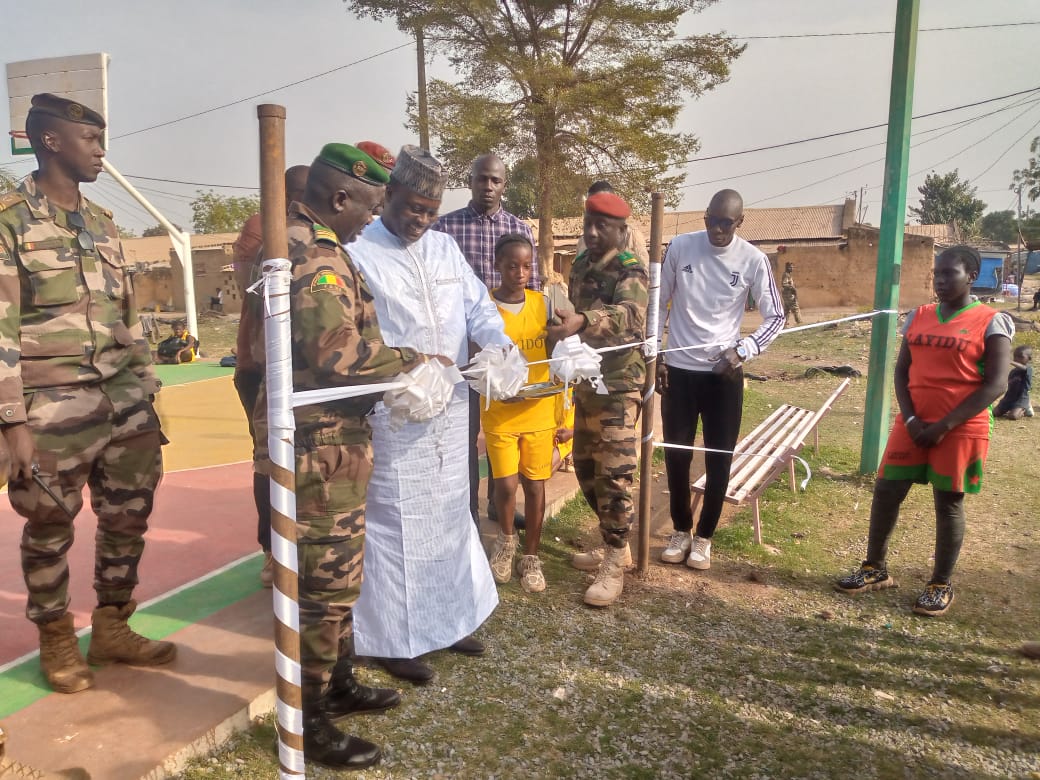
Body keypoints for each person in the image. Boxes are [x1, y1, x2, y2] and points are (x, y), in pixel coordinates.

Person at [257, 144, 443, 769]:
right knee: (322, 587)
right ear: (340, 199)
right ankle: (307, 718)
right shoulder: (315, 257)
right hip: (316, 447)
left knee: (341, 580)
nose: (372, 216)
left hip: (336, 444)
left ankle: (334, 682)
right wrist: (419, 362)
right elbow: (339, 356)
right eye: (367, 204)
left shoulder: (326, 248)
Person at [0, 93, 174, 694]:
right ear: (51, 141)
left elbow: (125, 316)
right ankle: (55, 638)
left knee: (130, 514)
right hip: (52, 406)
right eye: (90, 140)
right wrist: (12, 423)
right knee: (49, 523)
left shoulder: (102, 223)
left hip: (124, 400)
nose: (101, 151)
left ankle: (112, 625)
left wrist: (147, 388)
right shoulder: (9, 219)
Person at [350, 145, 511, 683]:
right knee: (396, 523)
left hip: (452, 408)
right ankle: (392, 639)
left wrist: (494, 345)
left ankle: (451, 620)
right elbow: (362, 335)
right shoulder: (359, 252)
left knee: (449, 514)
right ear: (388, 195)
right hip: (397, 413)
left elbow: (479, 308)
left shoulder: (444, 249)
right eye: (412, 207)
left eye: (430, 211)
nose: (420, 220)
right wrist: (403, 370)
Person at [835, 245, 1012, 617]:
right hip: (914, 422)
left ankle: (940, 583)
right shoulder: (919, 316)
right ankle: (875, 568)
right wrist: (913, 420)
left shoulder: (991, 321)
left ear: (973, 276)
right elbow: (902, 372)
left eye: (950, 274)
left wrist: (944, 425)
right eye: (937, 274)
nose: (941, 281)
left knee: (948, 501)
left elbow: (995, 385)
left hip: (961, 427)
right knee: (885, 489)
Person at [657, 189, 784, 571]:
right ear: (706, 218)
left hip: (722, 377)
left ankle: (705, 538)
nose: (717, 229)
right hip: (679, 371)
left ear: (739, 222)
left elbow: (776, 317)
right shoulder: (680, 247)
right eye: (711, 220)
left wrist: (742, 351)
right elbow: (658, 301)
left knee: (718, 458)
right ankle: (681, 530)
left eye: (725, 223)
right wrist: (657, 354)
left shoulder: (753, 260)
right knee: (676, 455)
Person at [545, 191, 648, 607]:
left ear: (620, 230)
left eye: (600, 226)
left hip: (620, 384)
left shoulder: (631, 270)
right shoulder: (582, 263)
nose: (590, 232)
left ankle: (613, 560)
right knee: (586, 470)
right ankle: (615, 544)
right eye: (587, 223)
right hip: (587, 382)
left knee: (614, 474)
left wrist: (584, 321)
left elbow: (631, 317)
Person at [432, 154, 538, 526]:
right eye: (482, 179)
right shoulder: (445, 230)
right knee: (464, 435)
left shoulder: (520, 230)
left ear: (504, 185)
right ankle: (468, 513)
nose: (488, 186)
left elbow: (533, 294)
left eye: (495, 180)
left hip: (503, 355)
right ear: (471, 181)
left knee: (502, 431)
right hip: (460, 352)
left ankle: (499, 503)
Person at [232, 164, 309, 586]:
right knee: (268, 461)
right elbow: (248, 286)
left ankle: (298, 547)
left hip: (304, 371)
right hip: (260, 368)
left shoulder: (321, 234)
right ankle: (270, 550)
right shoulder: (262, 230)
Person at [484, 233, 557, 594]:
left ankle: (531, 556)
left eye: (527, 266)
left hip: (539, 410)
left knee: (534, 483)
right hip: (501, 412)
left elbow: (561, 352)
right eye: (512, 265)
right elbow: (476, 358)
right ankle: (506, 542)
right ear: (498, 265)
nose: (520, 272)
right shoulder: (485, 307)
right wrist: (496, 388)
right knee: (506, 484)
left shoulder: (544, 304)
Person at [573, 181, 650, 264]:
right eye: (592, 205)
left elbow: (645, 271)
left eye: (602, 203)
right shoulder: (583, 240)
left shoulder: (631, 235)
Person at [993, 345, 1033, 419]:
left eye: (1020, 357)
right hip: (1009, 398)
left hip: (1021, 399)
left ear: (1029, 358)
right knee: (994, 413)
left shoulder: (1028, 369)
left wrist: (1009, 361)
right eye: (1015, 356)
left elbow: (1023, 368)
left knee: (1013, 416)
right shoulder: (1013, 371)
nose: (1016, 359)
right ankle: (1011, 408)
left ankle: (1025, 408)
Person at [781, 261, 802, 325]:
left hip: (787, 295)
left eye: (792, 267)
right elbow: (784, 284)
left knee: (787, 310)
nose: (792, 269)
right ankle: (799, 323)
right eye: (790, 267)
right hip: (789, 295)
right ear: (786, 268)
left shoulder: (787, 274)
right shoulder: (786, 275)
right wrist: (792, 288)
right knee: (795, 308)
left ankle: (784, 323)